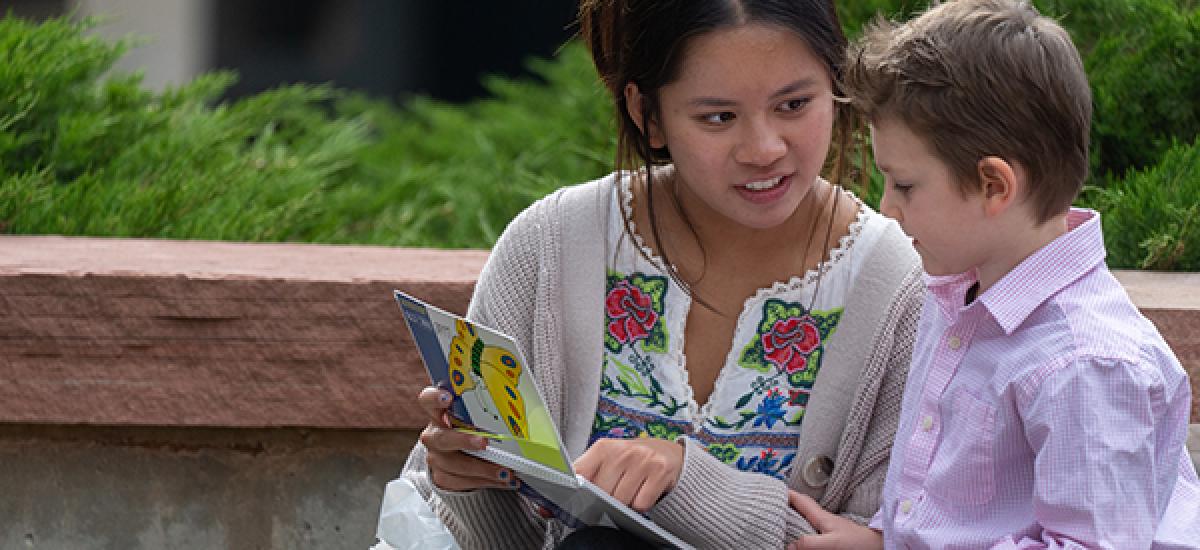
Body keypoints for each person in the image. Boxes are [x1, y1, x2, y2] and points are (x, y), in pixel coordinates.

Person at [401, 0, 925, 547]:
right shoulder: (551, 247)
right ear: (647, 114)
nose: (764, 149)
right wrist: (463, 481)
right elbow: (456, 527)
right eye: (718, 117)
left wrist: (686, 482)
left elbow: (887, 537)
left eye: (794, 104)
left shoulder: (899, 287)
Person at [787, 1, 1200, 548]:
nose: (886, 207)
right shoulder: (958, 292)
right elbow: (950, 502)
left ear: (994, 186)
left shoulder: (1087, 367)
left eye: (905, 184)